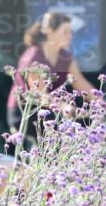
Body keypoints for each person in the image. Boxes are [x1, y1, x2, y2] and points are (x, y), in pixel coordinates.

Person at [6, 11, 97, 141]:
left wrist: (105, 106)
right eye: (65, 32)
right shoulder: (33, 57)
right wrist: (64, 107)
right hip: (26, 113)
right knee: (67, 138)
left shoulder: (66, 56)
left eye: (70, 32)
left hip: (53, 111)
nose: (70, 36)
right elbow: (40, 94)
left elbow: (82, 84)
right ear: (49, 31)